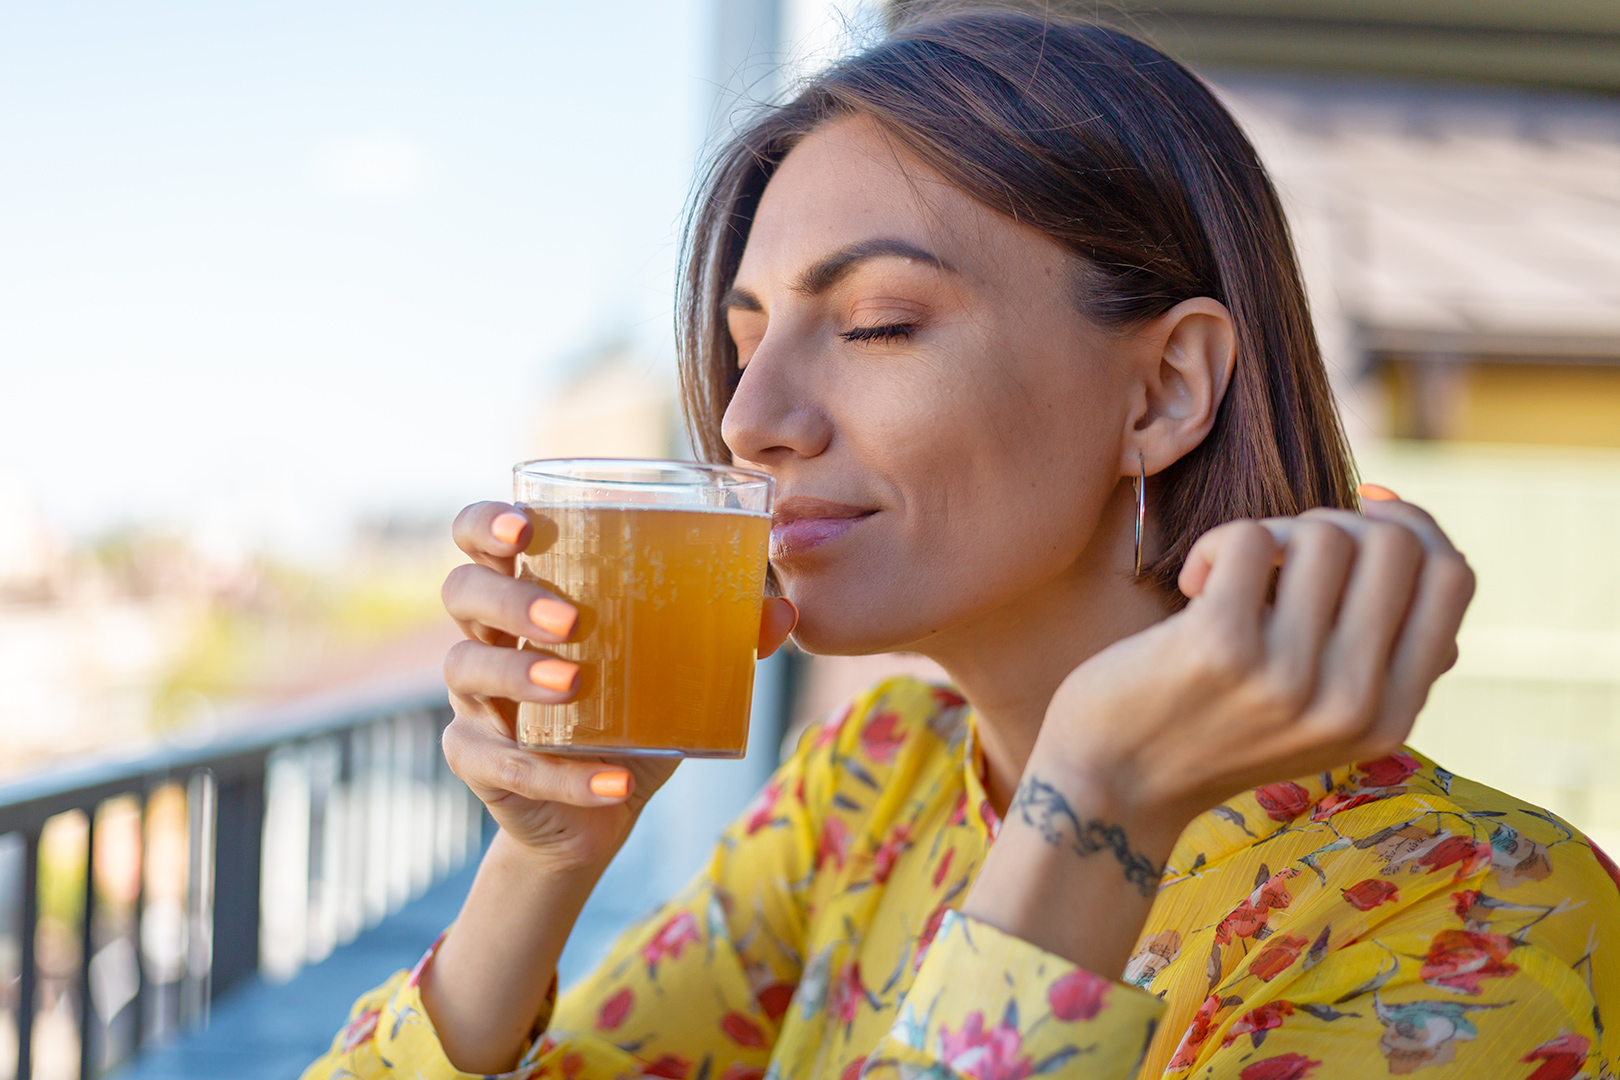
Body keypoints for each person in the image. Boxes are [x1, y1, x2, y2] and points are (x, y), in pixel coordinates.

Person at [303, 11, 1620, 1080]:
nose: (752, 420)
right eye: (746, 338)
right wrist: (542, 857)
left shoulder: (1474, 920)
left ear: (1163, 392)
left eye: (877, 321)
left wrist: (1099, 802)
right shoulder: (876, 792)